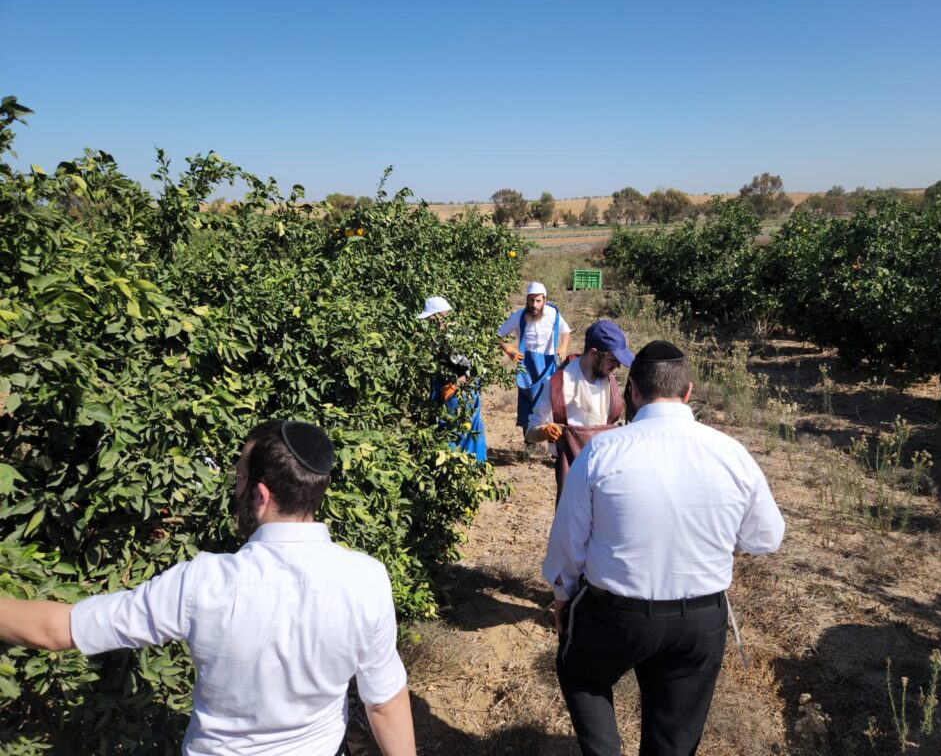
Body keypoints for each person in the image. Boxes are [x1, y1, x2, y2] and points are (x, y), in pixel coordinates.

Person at [0, 421, 416, 756]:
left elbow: (58, 630)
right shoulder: (367, 579)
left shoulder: (201, 583)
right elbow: (384, 703)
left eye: (238, 477)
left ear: (260, 494)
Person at [542, 341, 785, 756]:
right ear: (688, 391)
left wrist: (563, 596)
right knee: (673, 741)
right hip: (699, 619)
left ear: (632, 390)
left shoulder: (602, 451)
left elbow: (568, 541)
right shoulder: (731, 453)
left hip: (613, 612)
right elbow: (766, 538)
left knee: (581, 673)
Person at [525, 319, 633, 504]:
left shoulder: (609, 381)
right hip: (573, 472)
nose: (617, 366)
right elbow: (530, 432)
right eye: (613, 360)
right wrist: (544, 431)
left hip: (607, 469)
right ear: (593, 353)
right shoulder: (559, 384)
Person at [498, 282, 572, 439]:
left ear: (544, 300)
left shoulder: (553, 314)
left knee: (553, 402)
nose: (534, 305)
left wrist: (563, 347)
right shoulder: (518, 316)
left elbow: (566, 332)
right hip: (527, 366)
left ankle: (555, 442)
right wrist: (508, 349)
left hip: (548, 365)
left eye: (538, 301)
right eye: (531, 300)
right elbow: (496, 336)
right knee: (528, 403)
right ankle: (529, 441)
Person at [417, 295, 486, 463]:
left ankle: (463, 463)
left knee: (458, 426)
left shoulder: (455, 338)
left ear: (440, 316)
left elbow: (476, 369)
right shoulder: (441, 335)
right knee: (449, 425)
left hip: (461, 390)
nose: (429, 322)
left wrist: (455, 385)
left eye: (431, 318)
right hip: (446, 387)